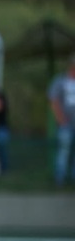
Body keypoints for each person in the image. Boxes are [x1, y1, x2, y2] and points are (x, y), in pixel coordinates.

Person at [48, 53, 75, 185]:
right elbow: (53, 100)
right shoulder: (60, 81)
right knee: (63, 151)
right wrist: (60, 119)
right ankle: (60, 177)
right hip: (66, 123)